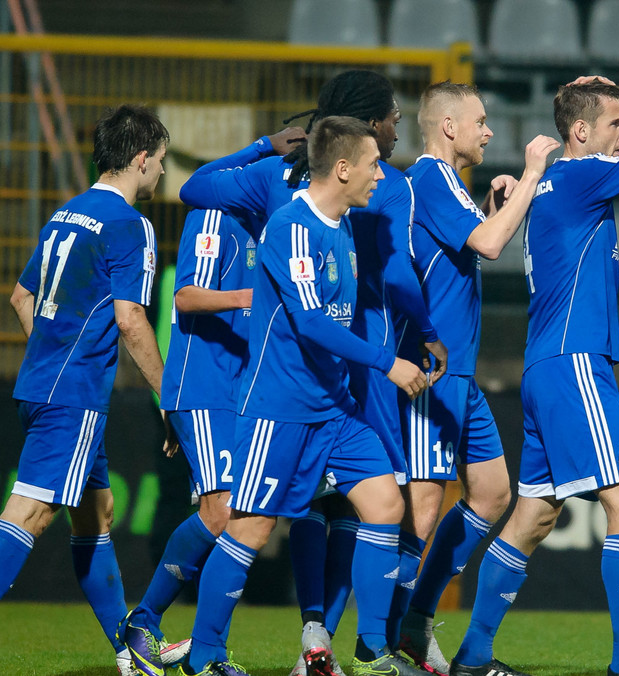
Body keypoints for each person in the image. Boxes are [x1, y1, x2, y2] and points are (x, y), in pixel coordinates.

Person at [449, 24, 619, 676]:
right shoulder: (587, 172)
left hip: (547, 364)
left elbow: (567, 284)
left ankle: (473, 656)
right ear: (582, 134)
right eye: (618, 122)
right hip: (574, 367)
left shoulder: (549, 193)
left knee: (533, 518)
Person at [178, 69, 447, 676]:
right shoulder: (291, 227)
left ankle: (374, 652)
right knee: (248, 529)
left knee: (383, 504)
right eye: (375, 162)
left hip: (332, 410)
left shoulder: (345, 227)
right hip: (279, 408)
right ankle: (205, 655)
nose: (384, 172)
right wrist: (389, 361)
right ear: (344, 169)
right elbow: (311, 325)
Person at [0, 104, 171, 676]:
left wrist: (52, 351)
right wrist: (171, 402)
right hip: (73, 394)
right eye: (161, 162)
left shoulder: (67, 214)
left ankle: (131, 651)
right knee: (33, 510)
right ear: (140, 160)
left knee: (96, 513)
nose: (162, 174)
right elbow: (132, 319)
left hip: (40, 383)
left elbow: (21, 298)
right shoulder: (130, 224)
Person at [390, 82, 559, 675]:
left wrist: (491, 203)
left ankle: (414, 621)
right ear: (448, 127)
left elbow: (469, 242)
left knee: (491, 494)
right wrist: (534, 173)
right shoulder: (431, 178)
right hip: (431, 375)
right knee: (423, 508)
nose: (490, 131)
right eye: (481, 121)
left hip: (458, 374)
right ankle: (386, 643)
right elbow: (489, 245)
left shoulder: (447, 187)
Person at [117, 201, 264, 676]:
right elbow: (185, 297)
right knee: (223, 512)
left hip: (238, 395)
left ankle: (165, 632)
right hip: (202, 389)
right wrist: (246, 297)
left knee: (236, 515)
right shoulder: (214, 217)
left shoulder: (271, 227)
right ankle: (168, 633)